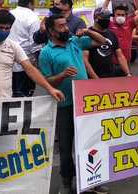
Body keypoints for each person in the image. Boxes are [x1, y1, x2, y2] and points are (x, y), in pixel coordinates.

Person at [38, 14, 107, 194]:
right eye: (61, 26)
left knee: (89, 143)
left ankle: (93, 180)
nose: (66, 28)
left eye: (66, 25)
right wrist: (62, 76)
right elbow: (47, 82)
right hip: (64, 105)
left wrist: (88, 31)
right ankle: (66, 182)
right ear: (51, 31)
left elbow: (102, 41)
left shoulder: (75, 42)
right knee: (66, 147)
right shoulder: (46, 52)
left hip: (84, 104)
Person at [103, 0, 138, 68]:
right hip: (111, 62)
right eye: (118, 14)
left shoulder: (130, 23)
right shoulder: (109, 24)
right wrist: (107, 0)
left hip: (126, 61)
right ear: (114, 15)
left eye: (122, 15)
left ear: (126, 16)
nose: (120, 16)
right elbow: (103, 14)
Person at [9, 0, 42, 97]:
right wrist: (37, 63)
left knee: (9, 94)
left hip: (7, 59)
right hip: (25, 62)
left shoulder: (10, 14)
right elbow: (35, 43)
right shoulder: (33, 17)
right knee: (24, 96)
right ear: (30, 3)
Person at [85, 8, 131, 78]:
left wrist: (127, 73)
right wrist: (95, 78)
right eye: (105, 18)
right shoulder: (88, 34)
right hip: (93, 77)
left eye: (108, 18)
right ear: (96, 18)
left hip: (110, 75)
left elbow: (120, 56)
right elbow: (85, 60)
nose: (107, 20)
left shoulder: (112, 34)